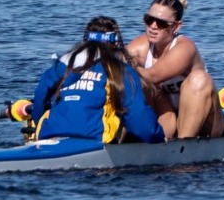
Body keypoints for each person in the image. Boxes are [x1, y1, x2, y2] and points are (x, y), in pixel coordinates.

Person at [28, 16, 165, 144]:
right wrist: (157, 138)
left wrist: (39, 125)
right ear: (116, 42)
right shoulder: (121, 70)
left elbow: (40, 100)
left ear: (86, 40)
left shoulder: (60, 66)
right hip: (95, 140)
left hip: (48, 135)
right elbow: (138, 117)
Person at [128, 0, 224, 139]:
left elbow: (152, 75)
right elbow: (113, 62)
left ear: (176, 27)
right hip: (170, 119)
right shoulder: (140, 45)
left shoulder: (185, 48)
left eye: (161, 23)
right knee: (136, 84)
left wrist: (123, 67)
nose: (153, 27)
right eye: (149, 20)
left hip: (205, 124)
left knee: (199, 79)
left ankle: (182, 147)